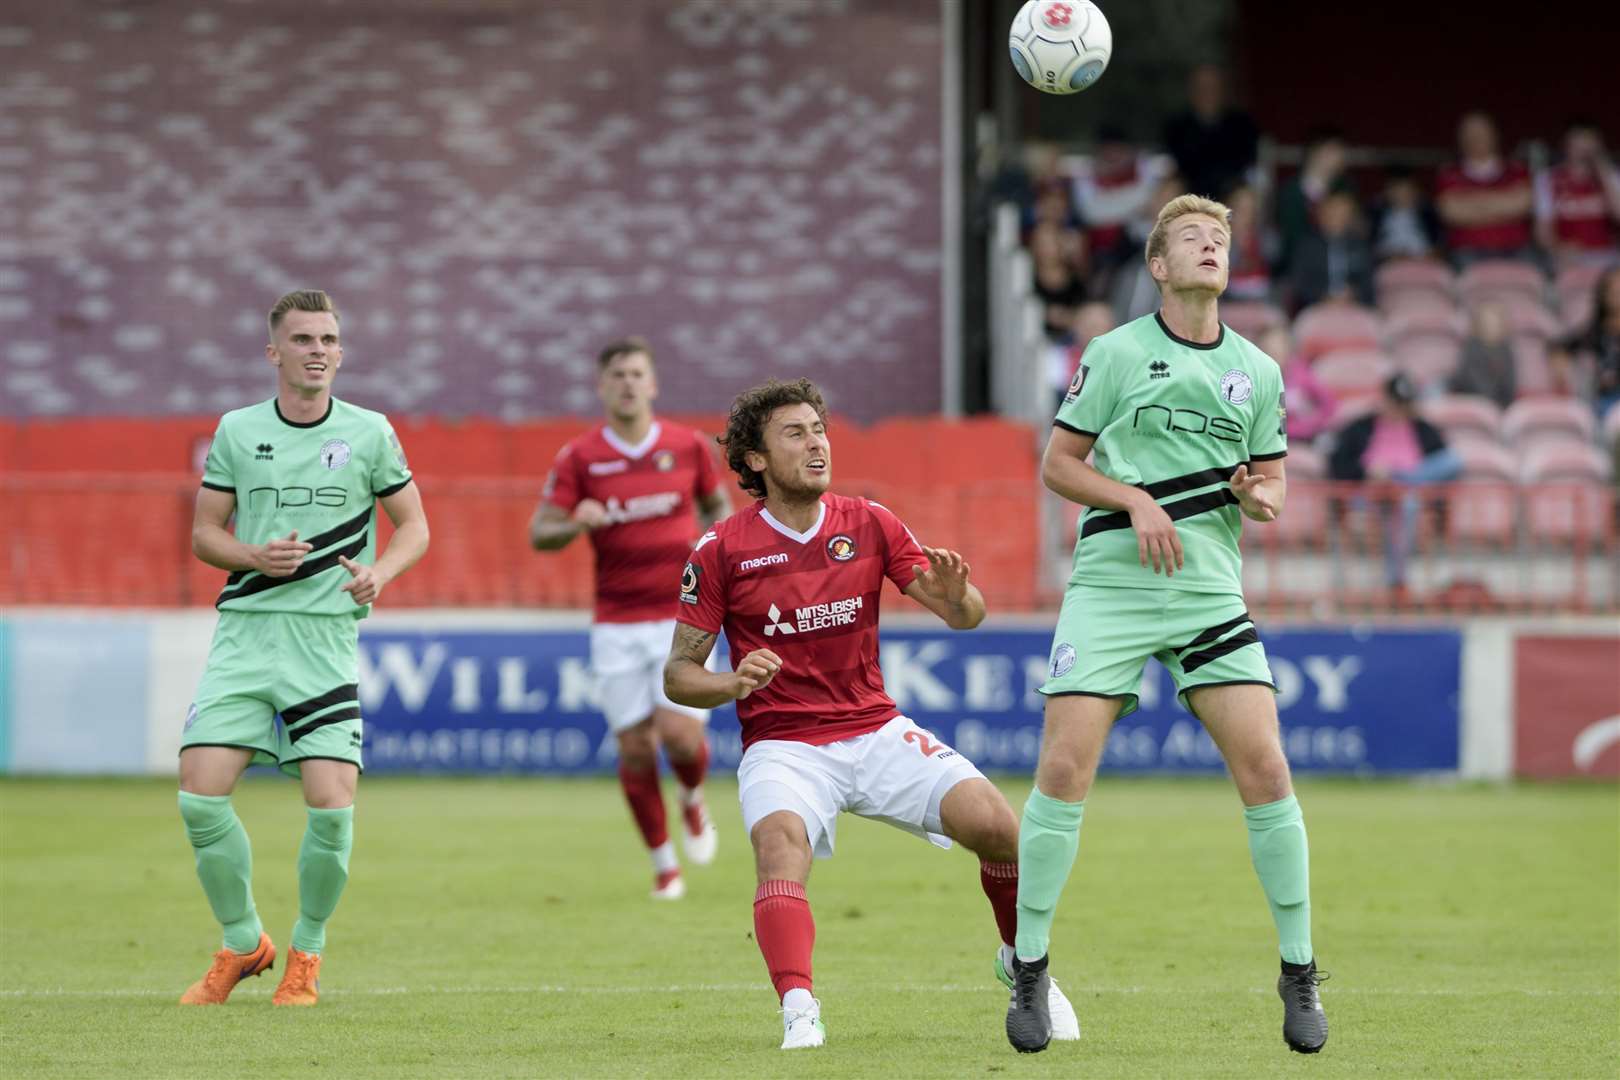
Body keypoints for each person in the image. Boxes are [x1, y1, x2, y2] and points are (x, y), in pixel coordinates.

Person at [662, 378, 1080, 1051]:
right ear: (756, 459)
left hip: (875, 729)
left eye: (819, 429)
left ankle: (1022, 963)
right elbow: (679, 676)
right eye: (794, 434)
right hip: (784, 743)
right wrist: (731, 681)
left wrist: (959, 594)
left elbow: (963, 616)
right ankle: (800, 1007)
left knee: (1000, 827)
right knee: (779, 849)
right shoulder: (720, 551)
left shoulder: (870, 522)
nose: (816, 443)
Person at [1005, 194, 1330, 1056]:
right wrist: (1136, 498)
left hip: (1206, 593)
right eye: (1192, 237)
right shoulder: (1114, 354)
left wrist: (1256, 498)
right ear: (1158, 266)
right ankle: (1029, 964)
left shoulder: (1257, 372)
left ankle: (1299, 971)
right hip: (1112, 586)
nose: (1210, 247)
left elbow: (1272, 488)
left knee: (1266, 768)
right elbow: (1058, 466)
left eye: (1220, 239)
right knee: (1064, 767)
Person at [179, 289, 430, 1006]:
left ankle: (307, 954)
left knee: (329, 804)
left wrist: (379, 572)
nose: (318, 350)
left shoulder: (372, 432)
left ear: (340, 352)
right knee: (200, 798)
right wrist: (255, 556)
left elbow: (414, 527)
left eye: (328, 339)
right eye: (303, 339)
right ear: (275, 352)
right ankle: (242, 941)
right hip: (246, 634)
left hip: (322, 641)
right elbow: (204, 535)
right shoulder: (236, 430)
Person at [530, 338, 731, 899]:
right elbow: (540, 532)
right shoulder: (581, 457)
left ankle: (692, 799)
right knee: (637, 748)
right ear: (603, 386)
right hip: (616, 621)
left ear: (653, 383)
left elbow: (719, 507)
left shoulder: (688, 447)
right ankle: (664, 863)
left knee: (679, 736)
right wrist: (576, 522)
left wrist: (712, 542)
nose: (628, 383)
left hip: (682, 616)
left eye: (637, 373)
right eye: (617, 374)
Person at [1328, 373, 1462, 591]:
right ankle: (1398, 479)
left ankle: (1395, 580)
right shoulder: (1360, 427)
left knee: (1416, 496)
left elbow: (1447, 463)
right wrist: (1367, 472)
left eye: (1404, 404)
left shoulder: (1423, 428)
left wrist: (1397, 477)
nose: (1399, 410)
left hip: (1407, 492)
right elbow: (1338, 463)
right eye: (1395, 403)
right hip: (1368, 494)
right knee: (1405, 500)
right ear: (1384, 399)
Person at [1435, 112, 1534, 265]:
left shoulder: (1517, 171)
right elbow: (1451, 213)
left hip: (1516, 249)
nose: (1476, 137)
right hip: (1466, 251)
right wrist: (1503, 201)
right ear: (1460, 138)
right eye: (1469, 132)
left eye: (1481, 131)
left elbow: (1522, 205)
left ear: (1494, 134)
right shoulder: (1449, 174)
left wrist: (1472, 203)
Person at [1162, 64, 1259, 202]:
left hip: (1229, 189)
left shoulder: (1242, 125)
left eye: (1212, 87)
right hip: (1187, 191)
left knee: (1245, 196)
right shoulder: (1177, 126)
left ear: (1222, 90)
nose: (1207, 93)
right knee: (1168, 190)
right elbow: (1172, 164)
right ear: (1192, 91)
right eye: (1201, 87)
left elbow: (1247, 163)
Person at [1533, 120, 1620, 267]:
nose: (1585, 146)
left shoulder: (1611, 176)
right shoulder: (1548, 180)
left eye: (1591, 139)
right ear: (1566, 144)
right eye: (1579, 139)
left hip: (1608, 255)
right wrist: (1558, 247)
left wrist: (1602, 169)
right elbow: (1542, 232)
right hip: (1568, 257)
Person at [1274, 128, 1354, 276]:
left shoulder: (1344, 188)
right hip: (1299, 265)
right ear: (1316, 152)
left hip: (1338, 265)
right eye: (1333, 151)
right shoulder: (1291, 191)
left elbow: (1352, 230)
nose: (1340, 158)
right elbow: (1290, 235)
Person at [1288, 190, 1375, 311]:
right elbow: (1300, 284)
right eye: (1333, 212)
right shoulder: (1307, 246)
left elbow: (1368, 283)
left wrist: (1354, 293)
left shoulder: (1360, 245)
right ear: (1322, 214)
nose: (1338, 218)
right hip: (1316, 307)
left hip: (1354, 306)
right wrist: (1323, 296)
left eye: (1344, 214)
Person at [1259, 324, 1337, 442]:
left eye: (1279, 349)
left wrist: (1313, 423)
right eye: (1268, 350)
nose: (1274, 355)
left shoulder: (1303, 374)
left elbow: (1329, 405)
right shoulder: (1255, 379)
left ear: (1290, 350)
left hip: (1304, 437)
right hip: (1267, 440)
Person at [1450, 301, 1518, 408]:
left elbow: (1510, 385)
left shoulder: (1506, 350)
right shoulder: (1471, 348)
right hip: (1470, 399)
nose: (1491, 325)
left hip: (1499, 403)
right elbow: (1473, 384)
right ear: (1478, 324)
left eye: (1495, 321)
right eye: (1487, 321)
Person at [1369, 166, 1442, 263]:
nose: (1402, 196)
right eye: (1397, 192)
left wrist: (1429, 254)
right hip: (1390, 262)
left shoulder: (1428, 215)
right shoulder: (1377, 215)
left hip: (1423, 260)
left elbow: (1437, 244)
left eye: (1407, 191)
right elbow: (1372, 246)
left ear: (1416, 192)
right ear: (1387, 192)